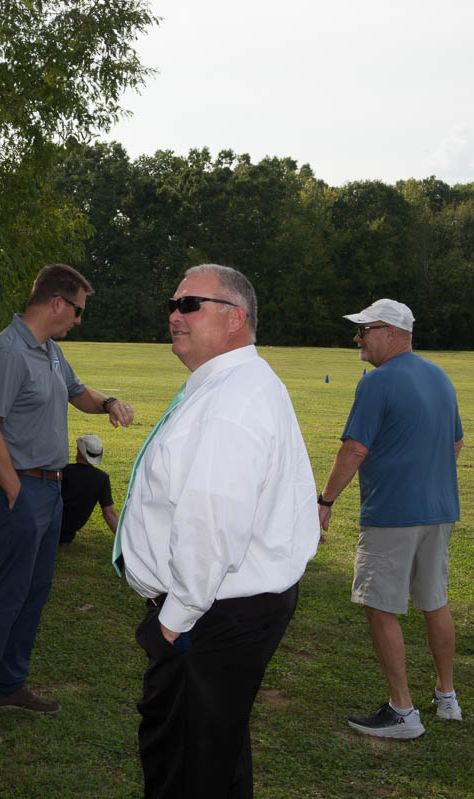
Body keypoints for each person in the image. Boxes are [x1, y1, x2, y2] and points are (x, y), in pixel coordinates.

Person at [116, 264, 319, 798]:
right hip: (222, 609)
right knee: (215, 756)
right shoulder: (231, 383)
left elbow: (212, 521)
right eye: (173, 303)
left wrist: (173, 621)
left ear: (236, 319)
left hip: (207, 613)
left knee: (184, 766)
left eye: (190, 304)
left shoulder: (234, 399)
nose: (174, 315)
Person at [0, 264, 134, 744]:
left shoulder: (51, 352)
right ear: (57, 303)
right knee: (7, 594)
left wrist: (109, 401)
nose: (78, 320)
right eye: (77, 311)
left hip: (50, 489)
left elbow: (78, 393)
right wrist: (12, 489)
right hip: (23, 488)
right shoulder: (7, 352)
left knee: (34, 592)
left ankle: (10, 685)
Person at [317, 298, 463, 740]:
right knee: (433, 601)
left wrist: (324, 501)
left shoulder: (376, 383)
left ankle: (402, 712)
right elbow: (455, 444)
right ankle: (447, 696)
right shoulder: (439, 376)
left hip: (393, 515)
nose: (357, 337)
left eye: (365, 329)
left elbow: (355, 449)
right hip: (439, 511)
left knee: (381, 605)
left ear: (393, 332)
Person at [58, 433, 118, 545]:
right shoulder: (102, 478)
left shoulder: (64, 471)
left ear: (79, 450)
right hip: (68, 533)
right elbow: (108, 513)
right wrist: (122, 538)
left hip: (52, 528)